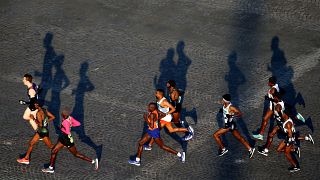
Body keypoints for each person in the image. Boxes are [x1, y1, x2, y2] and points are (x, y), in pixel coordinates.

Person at [42, 108, 98, 173]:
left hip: (67, 140)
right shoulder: (70, 118)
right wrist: (71, 124)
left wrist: (63, 128)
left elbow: (68, 132)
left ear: (65, 115)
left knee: (76, 154)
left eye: (62, 114)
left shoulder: (65, 122)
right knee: (54, 151)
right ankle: (51, 168)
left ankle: (93, 161)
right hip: (63, 138)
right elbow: (78, 124)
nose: (61, 114)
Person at [257, 92, 314, 156]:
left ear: (276, 98)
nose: (273, 98)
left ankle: (295, 148)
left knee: (288, 137)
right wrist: (269, 98)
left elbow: (282, 113)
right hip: (281, 123)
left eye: (274, 97)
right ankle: (266, 149)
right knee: (271, 134)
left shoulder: (278, 107)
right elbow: (277, 102)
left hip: (282, 124)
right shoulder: (280, 101)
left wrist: (281, 118)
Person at [213, 94, 255, 158]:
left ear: (225, 101)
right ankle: (250, 149)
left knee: (215, 135)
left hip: (228, 126)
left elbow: (239, 113)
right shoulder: (225, 105)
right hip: (231, 125)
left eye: (222, 99)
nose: (221, 100)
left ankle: (223, 149)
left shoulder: (231, 107)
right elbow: (225, 110)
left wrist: (232, 116)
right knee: (239, 138)